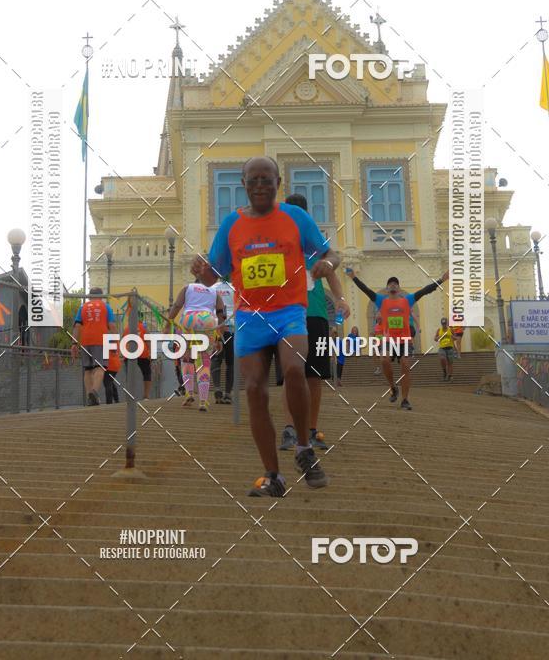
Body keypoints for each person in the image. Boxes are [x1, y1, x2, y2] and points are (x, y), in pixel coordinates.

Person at [191, 156, 340, 497]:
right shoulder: (231, 225)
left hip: (289, 312)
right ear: (243, 184)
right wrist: (200, 270)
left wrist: (327, 265)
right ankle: (273, 475)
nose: (260, 185)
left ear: (278, 184)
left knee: (295, 369)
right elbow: (213, 274)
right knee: (255, 388)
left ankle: (304, 448)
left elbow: (331, 254)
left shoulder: (295, 217)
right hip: (250, 317)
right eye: (253, 179)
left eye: (266, 179)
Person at [279, 193, 350, 452]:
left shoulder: (315, 245)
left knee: (315, 375)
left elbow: (331, 274)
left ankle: (310, 430)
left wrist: (341, 299)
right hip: (288, 316)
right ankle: (290, 429)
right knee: (291, 372)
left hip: (316, 315)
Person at [344, 269, 449, 410]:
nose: (393, 285)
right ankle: (393, 387)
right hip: (389, 340)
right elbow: (366, 290)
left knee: (405, 365)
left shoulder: (407, 300)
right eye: (390, 283)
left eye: (395, 283)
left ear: (399, 289)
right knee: (384, 360)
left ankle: (405, 400)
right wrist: (353, 278)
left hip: (405, 340)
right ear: (387, 289)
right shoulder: (381, 301)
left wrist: (441, 280)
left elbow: (425, 290)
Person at [168, 279, 225, 411]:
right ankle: (203, 401)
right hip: (208, 321)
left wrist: (168, 323)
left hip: (189, 319)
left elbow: (176, 306)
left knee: (186, 358)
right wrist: (219, 338)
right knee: (204, 362)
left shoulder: (187, 287)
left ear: (196, 281)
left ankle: (189, 393)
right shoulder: (214, 291)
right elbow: (221, 314)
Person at [71, 287, 117, 406]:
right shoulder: (106, 307)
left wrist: (74, 343)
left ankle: (89, 397)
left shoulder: (82, 307)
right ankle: (94, 392)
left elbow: (77, 326)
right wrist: (115, 343)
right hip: (101, 340)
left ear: (90, 296)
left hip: (85, 341)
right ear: (101, 296)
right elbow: (112, 326)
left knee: (88, 369)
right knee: (100, 368)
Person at [210, 277, 235, 404]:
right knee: (231, 362)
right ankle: (228, 394)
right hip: (232, 326)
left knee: (216, 358)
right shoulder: (234, 288)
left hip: (216, 326)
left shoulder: (212, 288)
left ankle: (217, 388)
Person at [123, 311, 152, 400]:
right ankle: (146, 396)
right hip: (143, 353)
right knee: (146, 373)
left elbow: (123, 342)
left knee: (130, 376)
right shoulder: (144, 327)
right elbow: (148, 340)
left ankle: (130, 396)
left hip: (129, 354)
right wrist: (150, 352)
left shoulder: (127, 328)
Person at [103, 339, 121, 404]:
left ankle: (109, 402)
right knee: (110, 382)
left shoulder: (109, 337)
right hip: (115, 363)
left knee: (107, 382)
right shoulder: (114, 337)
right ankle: (116, 400)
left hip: (109, 363)